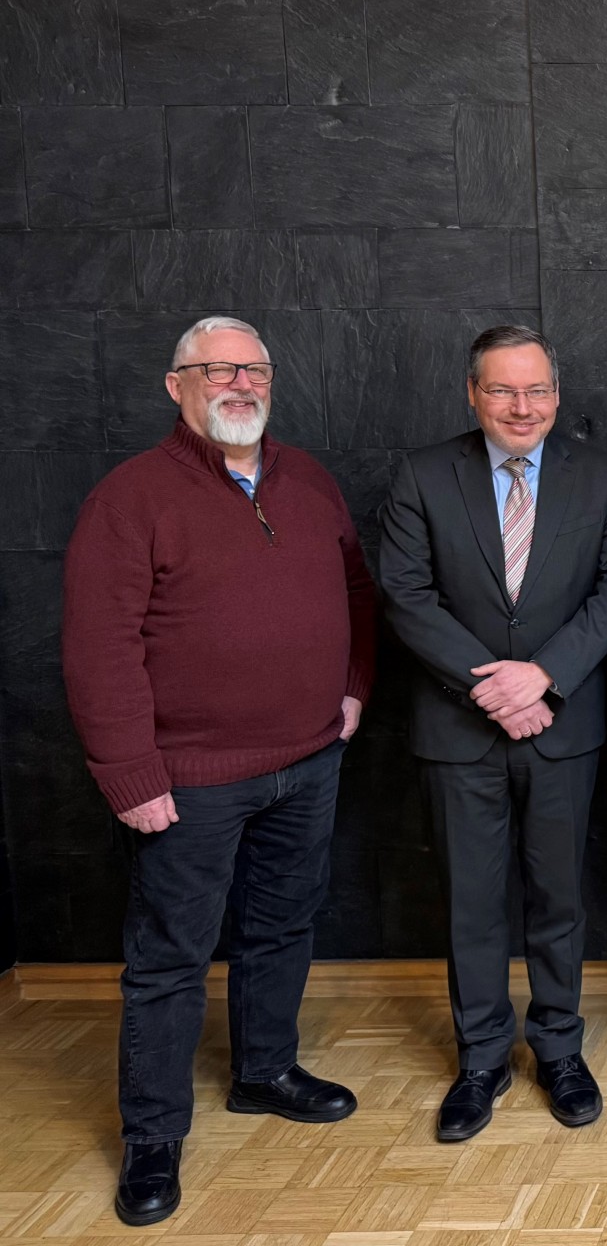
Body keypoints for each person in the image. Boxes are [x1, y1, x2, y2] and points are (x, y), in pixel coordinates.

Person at [63, 316, 374, 1228]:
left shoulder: (307, 479)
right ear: (176, 385)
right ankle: (153, 1136)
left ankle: (264, 1071)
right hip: (188, 777)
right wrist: (131, 773)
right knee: (169, 961)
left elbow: (357, 589)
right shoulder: (130, 498)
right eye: (216, 369)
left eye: (254, 368)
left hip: (310, 758)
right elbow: (98, 647)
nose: (238, 382)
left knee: (282, 928)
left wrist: (354, 686)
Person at [378, 326, 607, 1143]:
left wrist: (544, 678)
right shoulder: (422, 475)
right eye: (502, 390)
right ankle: (482, 1057)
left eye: (536, 391)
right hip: (460, 728)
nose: (521, 407)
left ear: (557, 397)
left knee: (559, 900)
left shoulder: (603, 477)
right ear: (472, 394)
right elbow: (407, 596)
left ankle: (558, 1048)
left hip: (563, 725)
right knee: (472, 905)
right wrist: (495, 686)